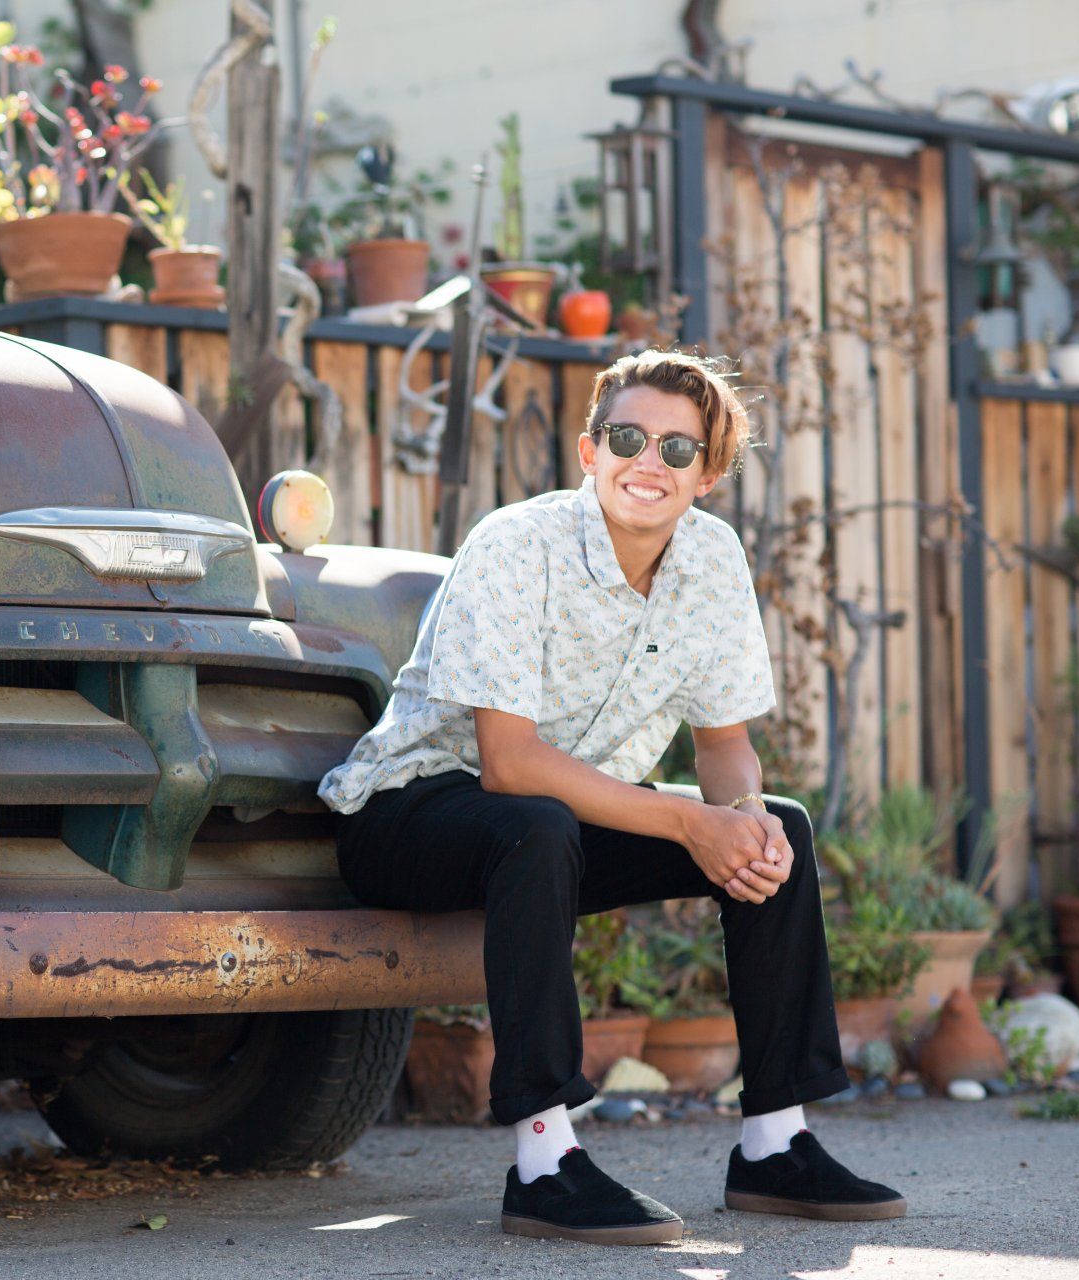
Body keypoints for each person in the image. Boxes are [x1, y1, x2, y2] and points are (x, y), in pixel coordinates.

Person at [319, 349, 906, 1246]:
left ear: (707, 475)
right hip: (408, 813)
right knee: (537, 822)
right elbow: (508, 764)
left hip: (561, 827)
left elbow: (726, 749)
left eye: (679, 449)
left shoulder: (713, 559)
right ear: (590, 452)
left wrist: (740, 819)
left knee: (776, 826)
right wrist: (687, 821)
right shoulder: (517, 543)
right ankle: (545, 1164)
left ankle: (775, 1143)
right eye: (628, 438)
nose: (650, 461)